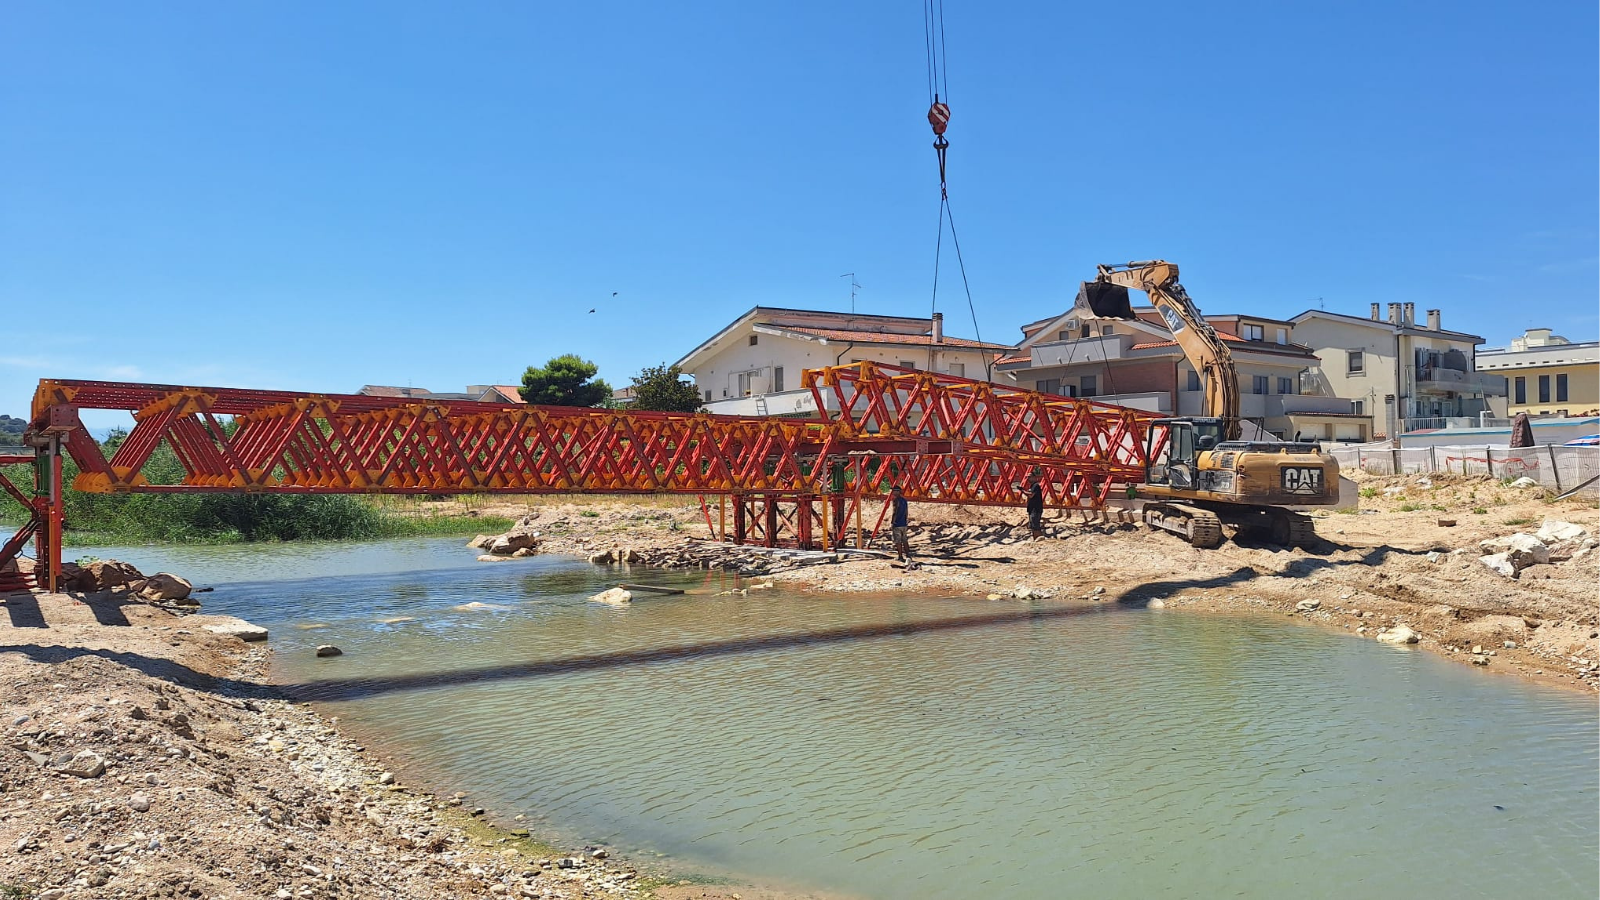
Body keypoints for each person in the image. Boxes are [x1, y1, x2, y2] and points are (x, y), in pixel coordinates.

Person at [890, 485, 911, 561]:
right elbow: (906, 512)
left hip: (897, 524)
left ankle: (900, 556)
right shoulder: (904, 501)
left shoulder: (896, 500)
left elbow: (894, 512)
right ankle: (908, 555)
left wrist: (892, 522)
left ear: (897, 492)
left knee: (898, 541)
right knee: (905, 540)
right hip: (903, 524)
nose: (892, 492)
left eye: (893, 491)